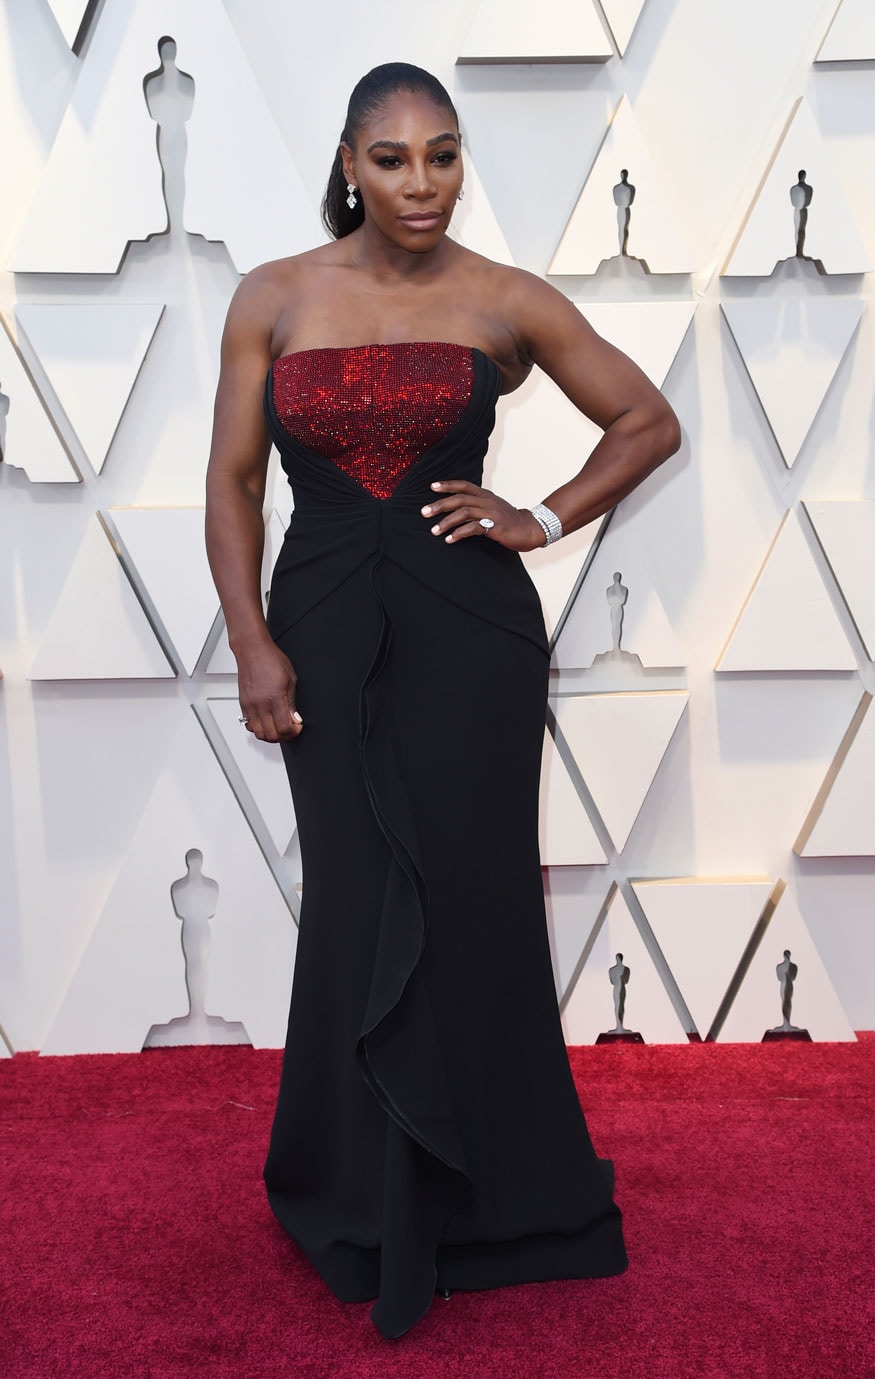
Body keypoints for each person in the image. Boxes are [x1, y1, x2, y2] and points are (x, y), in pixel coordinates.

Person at [204, 62, 680, 1339]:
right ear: (348, 166)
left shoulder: (504, 298)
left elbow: (646, 419)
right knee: (358, 901)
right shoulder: (274, 296)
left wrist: (541, 516)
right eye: (393, 159)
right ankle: (359, 1190)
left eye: (444, 155)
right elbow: (236, 485)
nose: (421, 183)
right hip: (320, 623)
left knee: (472, 895)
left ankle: (503, 1194)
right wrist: (249, 639)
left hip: (470, 636)